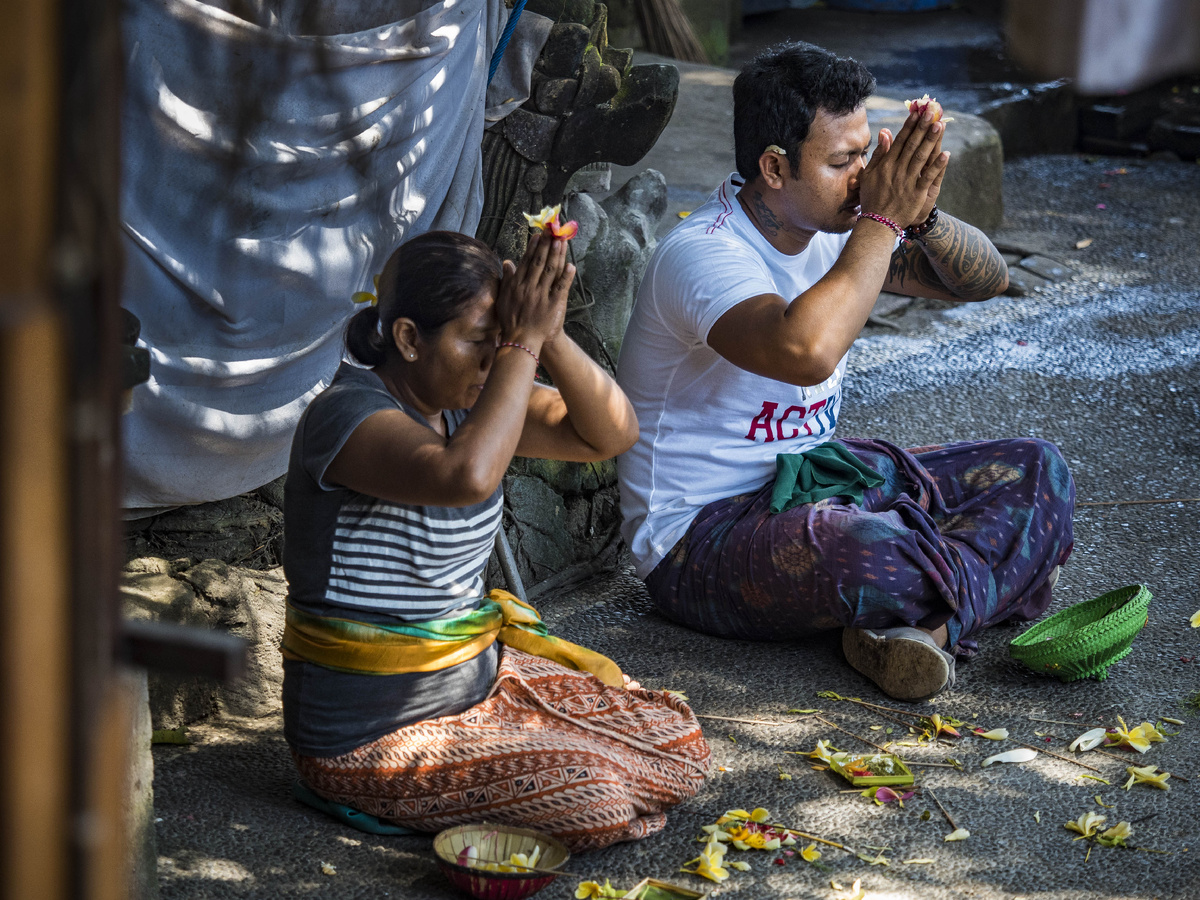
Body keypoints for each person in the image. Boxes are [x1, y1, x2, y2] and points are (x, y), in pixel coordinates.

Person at [616, 42, 1075, 702]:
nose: (863, 178)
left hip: (823, 484)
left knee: (1037, 469)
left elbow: (986, 281)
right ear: (775, 167)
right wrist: (883, 220)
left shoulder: (836, 231)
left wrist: (921, 216)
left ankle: (929, 620)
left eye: (865, 155)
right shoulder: (702, 254)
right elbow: (805, 353)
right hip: (700, 545)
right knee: (870, 547)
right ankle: (986, 582)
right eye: (841, 162)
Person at [281, 229, 709, 851]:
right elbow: (465, 476)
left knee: (679, 743)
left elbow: (611, 434)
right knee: (596, 798)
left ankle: (553, 767)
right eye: (481, 341)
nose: (495, 362)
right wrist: (521, 343)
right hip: (367, 735)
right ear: (408, 338)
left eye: (502, 341)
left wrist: (548, 333)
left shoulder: (472, 407)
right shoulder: (346, 416)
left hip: (482, 688)